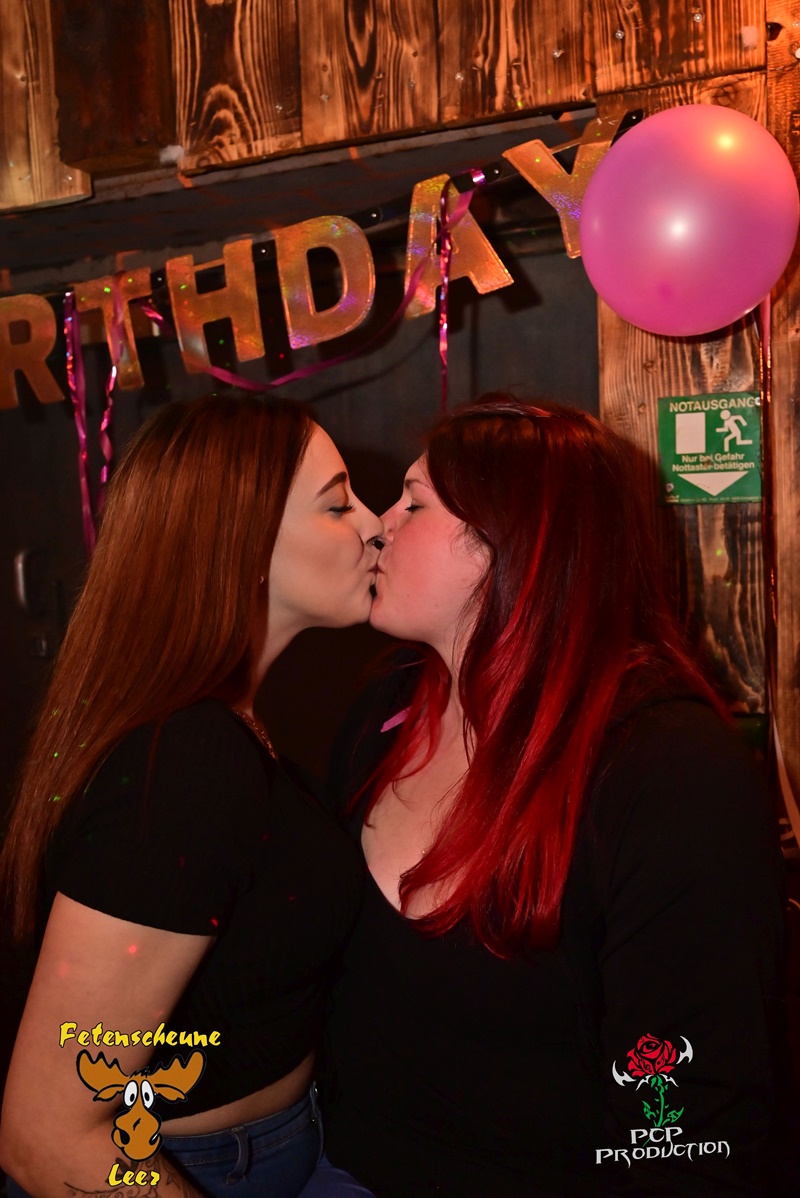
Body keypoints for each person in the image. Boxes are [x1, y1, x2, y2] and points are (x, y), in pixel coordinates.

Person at [318, 395, 786, 1197]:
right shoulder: (385, 709)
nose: (378, 525)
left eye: (413, 502)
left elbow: (686, 1131)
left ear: (512, 542)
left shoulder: (666, 771)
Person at [0, 392, 384, 1198]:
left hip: (280, 1150)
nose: (374, 524)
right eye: (338, 504)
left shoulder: (228, 728)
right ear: (242, 544)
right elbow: (47, 1138)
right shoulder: (188, 759)